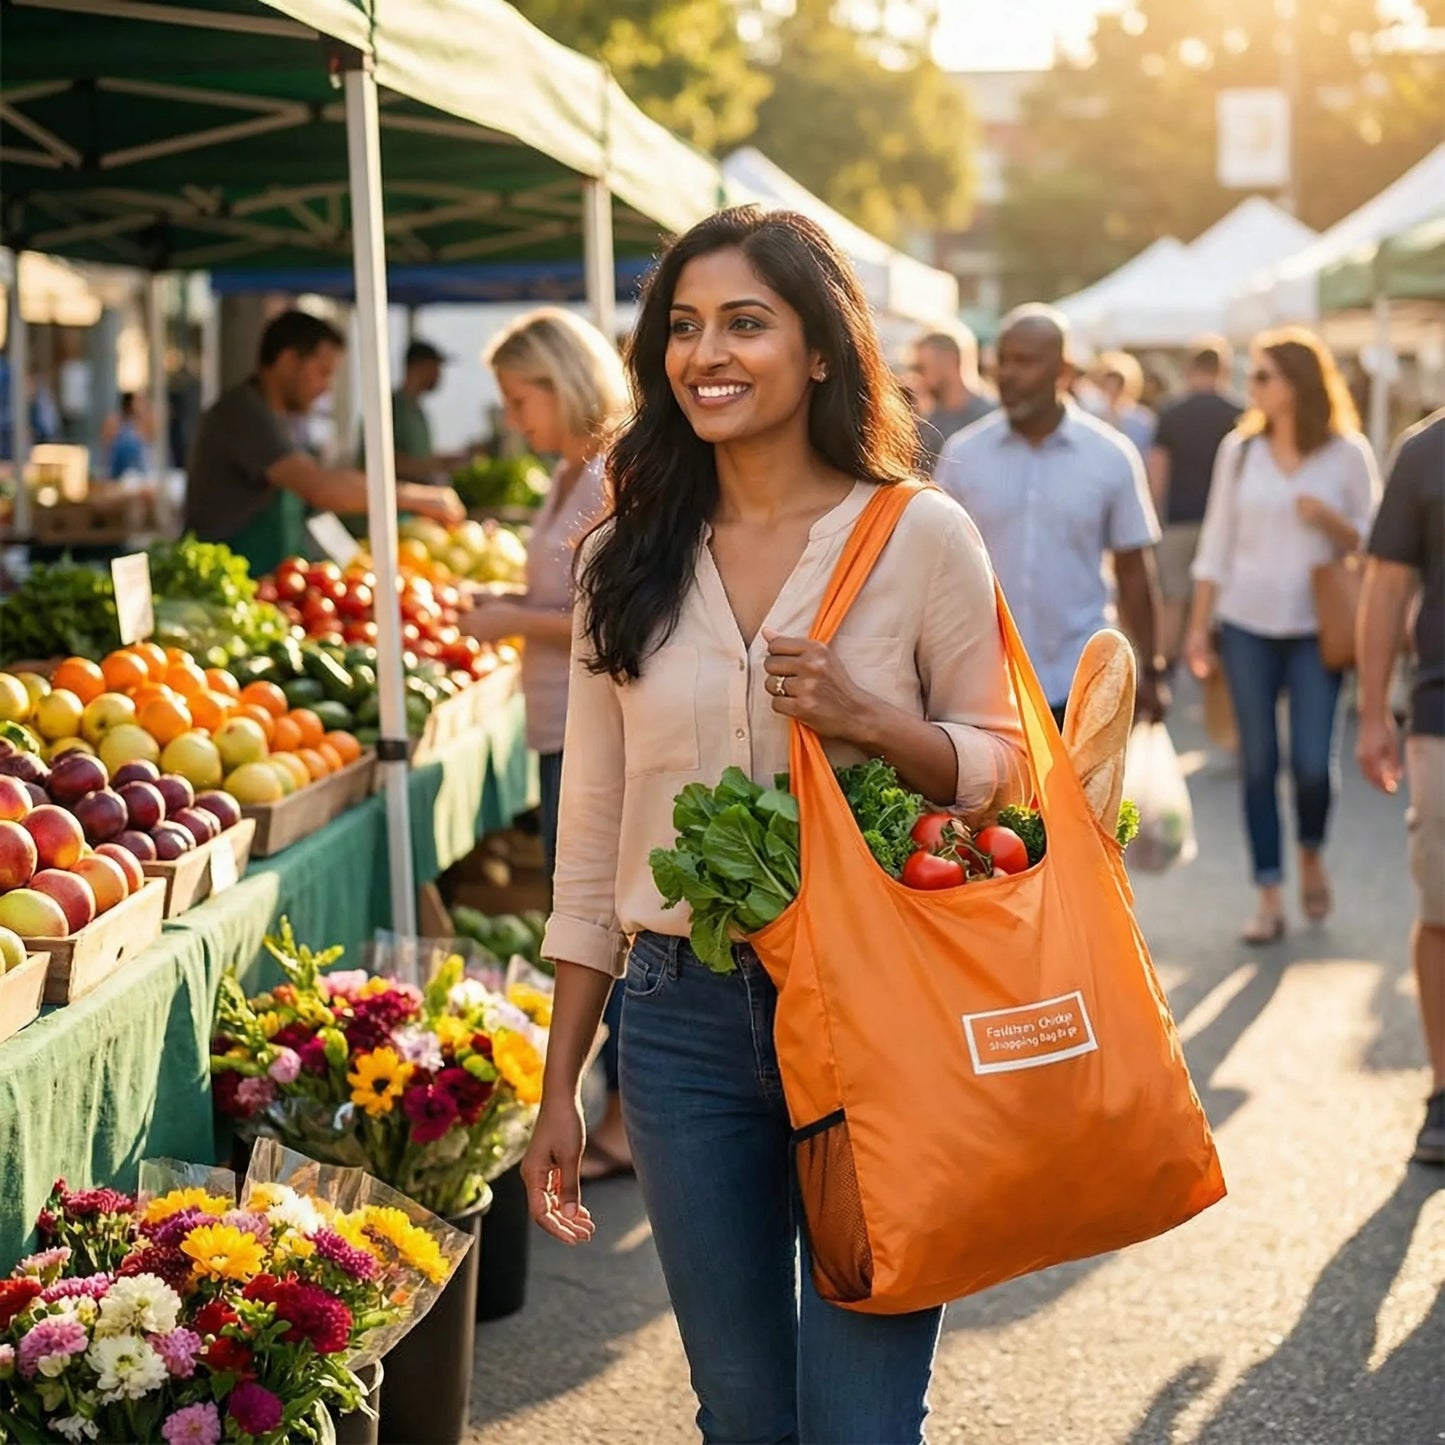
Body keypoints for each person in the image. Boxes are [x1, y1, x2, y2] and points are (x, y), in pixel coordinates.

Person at [522, 206, 1028, 1443]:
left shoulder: (919, 535)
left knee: (858, 1423)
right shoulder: (621, 559)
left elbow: (1006, 772)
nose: (708, 352)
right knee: (739, 1413)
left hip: (876, 1011)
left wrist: (871, 718)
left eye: (745, 321)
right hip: (678, 1021)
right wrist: (560, 1081)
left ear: (819, 349)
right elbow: (591, 834)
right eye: (683, 326)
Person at [469, 307, 632, 1181]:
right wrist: (508, 598)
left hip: (586, 724)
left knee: (598, 917)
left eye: (517, 395)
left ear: (561, 383)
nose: (510, 417)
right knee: (585, 911)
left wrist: (507, 619)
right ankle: (614, 1106)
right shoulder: (570, 470)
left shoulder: (607, 471)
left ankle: (625, 1124)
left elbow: (602, 608)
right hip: (558, 718)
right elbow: (568, 585)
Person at [1184, 328, 1380, 945]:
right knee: (1259, 763)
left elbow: (1377, 541)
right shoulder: (1238, 452)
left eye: (1264, 375)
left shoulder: (1346, 454)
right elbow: (1214, 545)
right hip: (1245, 624)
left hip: (1317, 629)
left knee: (1313, 765)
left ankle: (1312, 852)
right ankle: (1269, 893)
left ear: (1298, 384)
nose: (1253, 385)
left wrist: (1330, 520)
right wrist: (1196, 629)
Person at [934, 303, 1168, 730]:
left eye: (1024, 362)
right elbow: (934, 569)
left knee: (1079, 800)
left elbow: (1134, 571)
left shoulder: (1111, 456)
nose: (1007, 374)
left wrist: (1150, 671)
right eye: (1002, 361)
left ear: (1064, 370)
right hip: (984, 684)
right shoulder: (963, 455)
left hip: (1081, 678)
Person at [185, 309, 463, 575]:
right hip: (225, 576)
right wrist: (415, 497)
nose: (326, 387)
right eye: (322, 372)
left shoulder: (278, 417)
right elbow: (319, 486)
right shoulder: (244, 414)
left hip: (268, 575)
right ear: (288, 360)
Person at [1355, 408, 1445, 1165]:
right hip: (1440, 711)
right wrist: (1371, 710)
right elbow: (1384, 586)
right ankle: (1444, 1092)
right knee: (1440, 905)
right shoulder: (1424, 451)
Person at [1149, 341, 1243, 666]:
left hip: (1178, 518)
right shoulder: (1239, 413)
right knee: (1216, 601)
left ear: (1191, 369)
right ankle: (1212, 667)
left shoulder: (1171, 412)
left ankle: (1166, 666)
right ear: (1224, 369)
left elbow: (1158, 471)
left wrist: (1156, 517)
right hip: (1225, 524)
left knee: (1173, 598)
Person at [378, 338, 466, 483]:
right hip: (397, 503)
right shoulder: (390, 408)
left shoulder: (418, 410)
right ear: (419, 367)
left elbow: (420, 455)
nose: (439, 374)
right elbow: (384, 459)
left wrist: (452, 460)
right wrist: (439, 466)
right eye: (435, 367)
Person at [912, 323, 995, 467]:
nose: (918, 377)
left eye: (922, 368)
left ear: (950, 360)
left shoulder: (993, 418)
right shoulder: (926, 427)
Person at [1098, 350, 1156, 459]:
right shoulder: (1094, 416)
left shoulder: (1143, 419)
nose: (1112, 388)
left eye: (1118, 383)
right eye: (1108, 382)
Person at [106, 392, 150, 479]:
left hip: (138, 473)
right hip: (118, 472)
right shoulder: (114, 422)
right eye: (137, 402)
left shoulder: (141, 423)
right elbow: (107, 449)